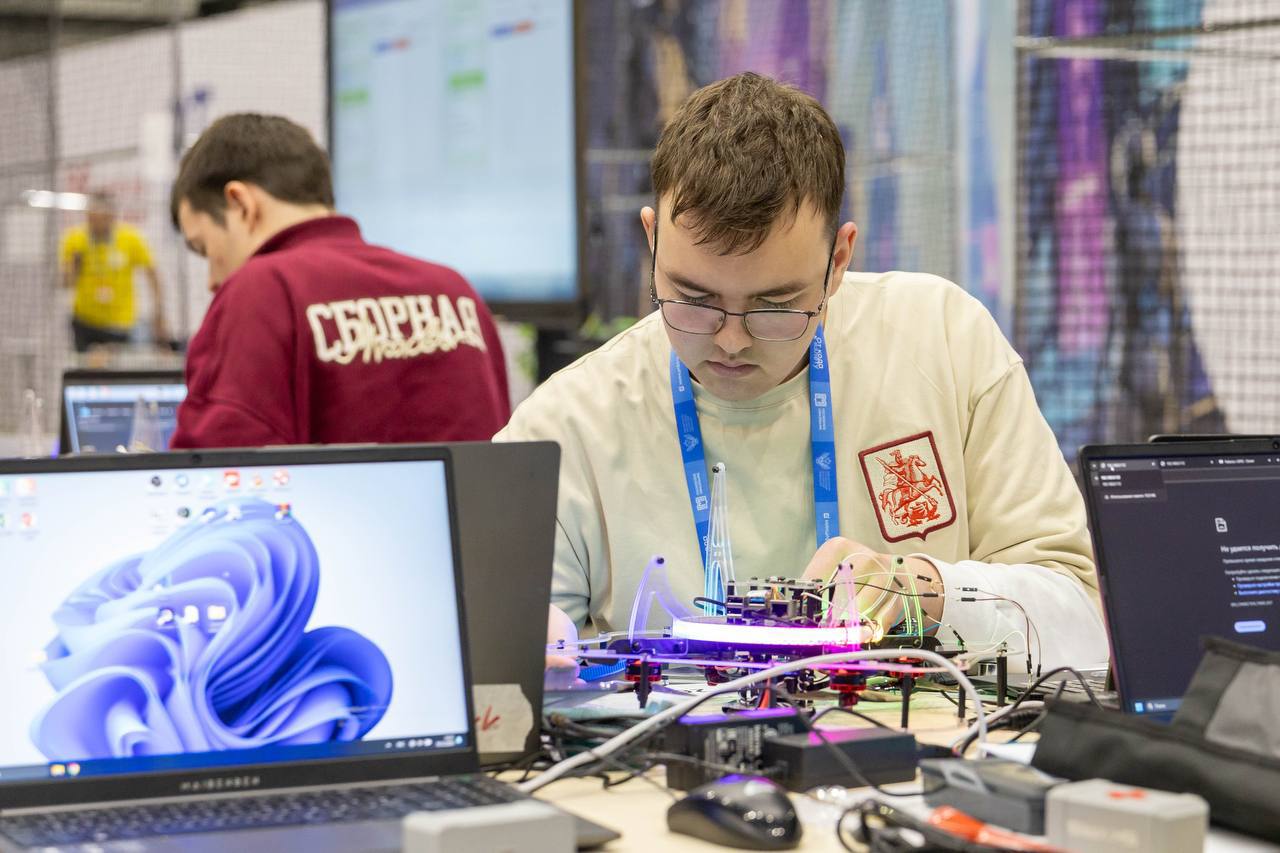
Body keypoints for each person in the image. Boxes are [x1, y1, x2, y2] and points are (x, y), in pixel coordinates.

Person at [499, 73, 1108, 671]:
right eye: (693, 300)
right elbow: (498, 668)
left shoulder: (944, 342)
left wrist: (927, 591)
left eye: (774, 307)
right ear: (651, 240)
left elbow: (1086, 623)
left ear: (838, 260)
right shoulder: (566, 429)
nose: (731, 340)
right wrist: (523, 648)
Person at [167, 113, 510, 449]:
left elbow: (214, 464)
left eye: (205, 248)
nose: (212, 281)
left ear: (241, 204)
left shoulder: (262, 288)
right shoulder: (454, 290)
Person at [60, 191, 167, 353]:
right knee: (84, 366)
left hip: (121, 323)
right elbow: (66, 284)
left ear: (111, 216)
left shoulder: (130, 238)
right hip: (85, 321)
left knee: (120, 366)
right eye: (92, 217)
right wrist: (75, 266)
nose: (96, 223)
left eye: (101, 217)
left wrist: (158, 311)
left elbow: (152, 275)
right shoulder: (74, 239)